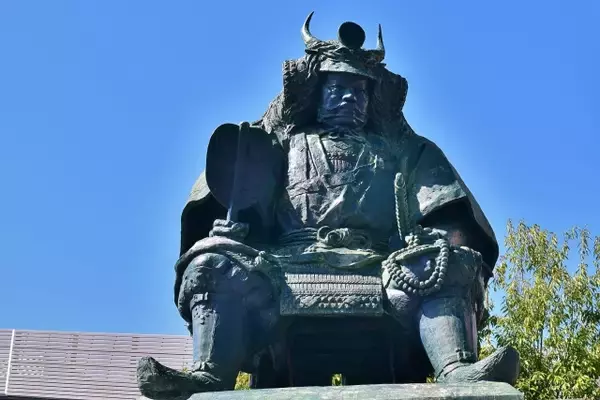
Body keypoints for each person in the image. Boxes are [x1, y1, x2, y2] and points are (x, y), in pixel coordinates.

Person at [137, 12, 519, 399]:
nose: (350, 97)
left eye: (360, 90)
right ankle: (209, 373)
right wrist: (234, 229)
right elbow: (236, 189)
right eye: (337, 88)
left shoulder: (403, 151)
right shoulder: (278, 143)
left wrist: (438, 236)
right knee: (210, 260)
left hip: (382, 265)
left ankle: (456, 368)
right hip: (282, 264)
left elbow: (446, 210)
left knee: (448, 261)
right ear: (316, 92)